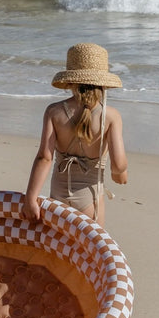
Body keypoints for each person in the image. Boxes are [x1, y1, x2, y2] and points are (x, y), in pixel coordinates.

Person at [23, 43, 128, 227]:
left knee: (59, 250)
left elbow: (44, 158)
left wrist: (31, 198)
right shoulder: (110, 116)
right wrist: (120, 173)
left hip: (58, 196)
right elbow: (118, 164)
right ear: (103, 83)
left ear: (70, 81)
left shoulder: (54, 112)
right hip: (90, 198)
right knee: (89, 251)